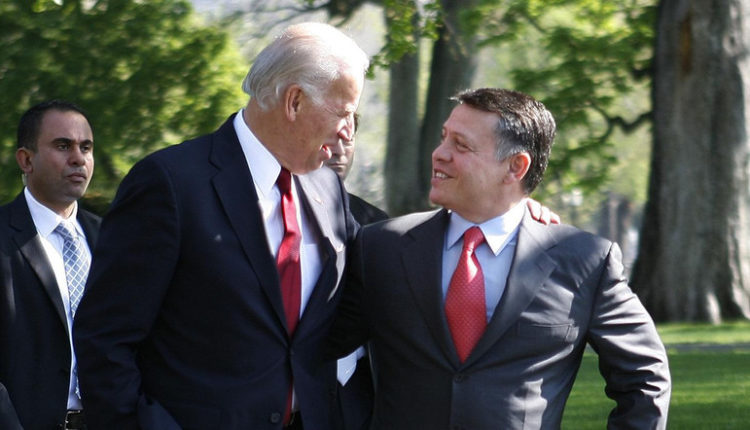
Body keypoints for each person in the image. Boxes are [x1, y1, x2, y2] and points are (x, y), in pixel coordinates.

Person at [73, 23, 369, 430]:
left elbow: (344, 316)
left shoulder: (328, 190)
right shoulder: (170, 184)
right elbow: (105, 340)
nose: (348, 131)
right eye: (344, 112)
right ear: (295, 101)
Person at [330, 88, 671, 429]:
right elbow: (316, 351)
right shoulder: (381, 247)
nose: (439, 154)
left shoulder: (585, 262)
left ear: (515, 166)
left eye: (461, 145)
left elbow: (645, 377)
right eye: (444, 138)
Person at [0, 100, 100, 430]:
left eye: (86, 147)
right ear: (26, 160)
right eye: (63, 146)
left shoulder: (113, 238)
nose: (78, 158)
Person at [326, 113, 388, 225]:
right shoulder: (292, 209)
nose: (340, 151)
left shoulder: (374, 221)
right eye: (329, 139)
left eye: (348, 140)